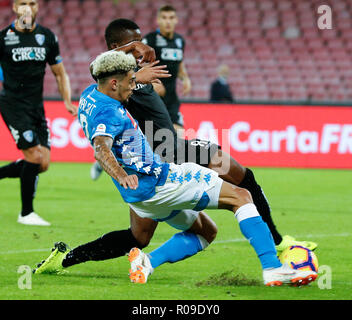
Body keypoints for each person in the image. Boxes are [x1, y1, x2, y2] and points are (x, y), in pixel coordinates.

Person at [32, 19, 316, 279]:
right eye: (134, 42)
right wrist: (138, 72)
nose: (142, 47)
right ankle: (278, 247)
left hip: (156, 159)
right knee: (243, 182)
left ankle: (67, 260)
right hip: (167, 153)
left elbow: (158, 94)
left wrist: (146, 79)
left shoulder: (127, 77)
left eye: (142, 39)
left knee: (139, 237)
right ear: (117, 50)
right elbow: (99, 73)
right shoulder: (115, 83)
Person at [0, 0, 77, 226]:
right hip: (12, 104)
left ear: (37, 7)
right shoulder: (4, 38)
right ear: (14, 7)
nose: (27, 7)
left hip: (36, 106)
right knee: (33, 156)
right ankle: (26, 213)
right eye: (22, 3)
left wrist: (66, 101)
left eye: (31, 3)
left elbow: (60, 74)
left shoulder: (47, 37)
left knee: (42, 164)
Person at [143, 5, 191, 135]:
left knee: (179, 137)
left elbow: (179, 64)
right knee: (156, 140)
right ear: (158, 20)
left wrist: (185, 78)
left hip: (171, 99)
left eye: (171, 18)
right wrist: (152, 83)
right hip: (154, 99)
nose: (168, 21)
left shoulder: (180, 41)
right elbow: (137, 67)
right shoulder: (150, 40)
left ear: (176, 20)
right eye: (164, 18)